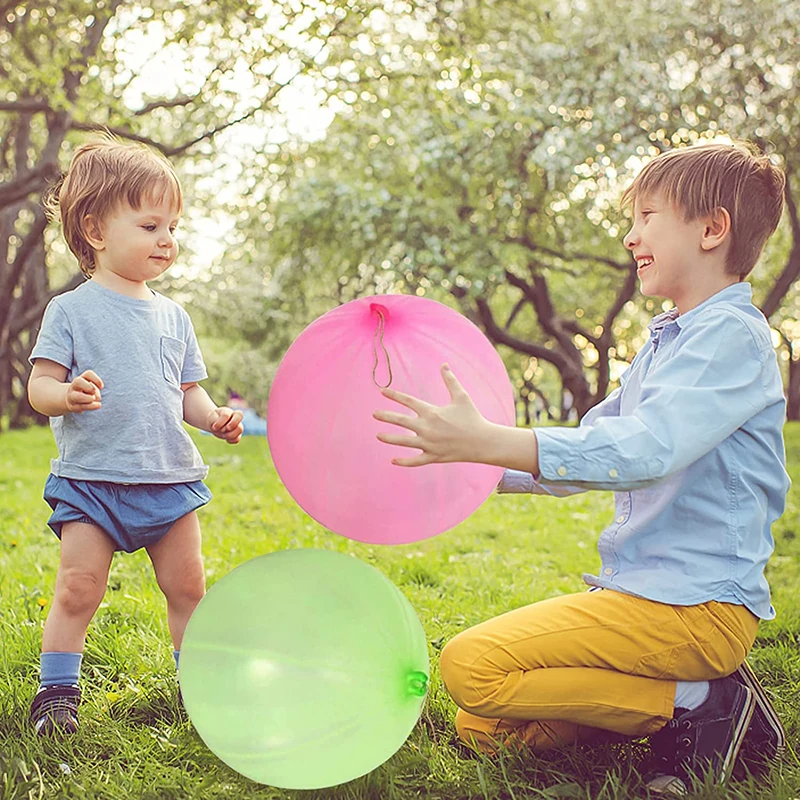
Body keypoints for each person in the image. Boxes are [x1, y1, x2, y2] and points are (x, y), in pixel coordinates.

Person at [373, 141, 789, 796]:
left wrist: (492, 439)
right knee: (484, 725)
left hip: (696, 607)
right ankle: (679, 704)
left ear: (712, 229)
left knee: (469, 666)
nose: (630, 237)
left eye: (648, 216)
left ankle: (699, 702)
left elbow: (644, 450)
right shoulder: (667, 342)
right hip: (641, 596)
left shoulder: (732, 339)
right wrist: (468, 462)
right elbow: (591, 447)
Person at [27, 133, 244, 735]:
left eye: (173, 226)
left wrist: (214, 417)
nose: (167, 239)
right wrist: (65, 395)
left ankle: (196, 684)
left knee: (189, 586)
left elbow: (187, 393)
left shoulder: (174, 316)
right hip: (93, 481)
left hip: (168, 479)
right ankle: (57, 694)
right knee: (77, 587)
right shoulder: (69, 311)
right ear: (95, 231)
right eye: (150, 225)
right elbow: (38, 387)